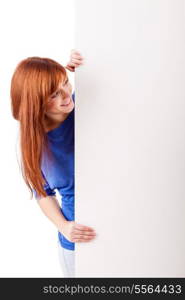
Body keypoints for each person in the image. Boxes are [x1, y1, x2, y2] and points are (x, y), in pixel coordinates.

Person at [10, 49, 97, 277]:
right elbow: (42, 193)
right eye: (53, 95)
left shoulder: (87, 107)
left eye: (65, 83)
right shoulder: (34, 142)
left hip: (122, 222)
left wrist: (90, 63)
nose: (66, 95)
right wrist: (64, 227)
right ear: (34, 103)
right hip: (78, 240)